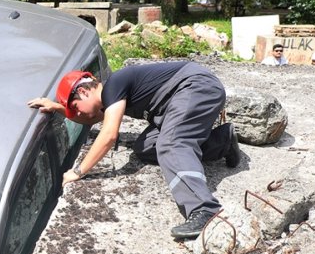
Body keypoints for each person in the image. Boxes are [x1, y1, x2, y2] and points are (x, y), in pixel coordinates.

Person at [28, 61, 241, 240]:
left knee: (171, 144)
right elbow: (92, 118)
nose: (77, 113)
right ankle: (222, 141)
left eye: (74, 106)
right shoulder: (112, 97)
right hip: (182, 98)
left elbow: (109, 135)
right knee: (145, 148)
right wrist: (57, 108)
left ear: (83, 91)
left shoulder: (114, 85)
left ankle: (204, 209)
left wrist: (78, 172)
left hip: (195, 86)